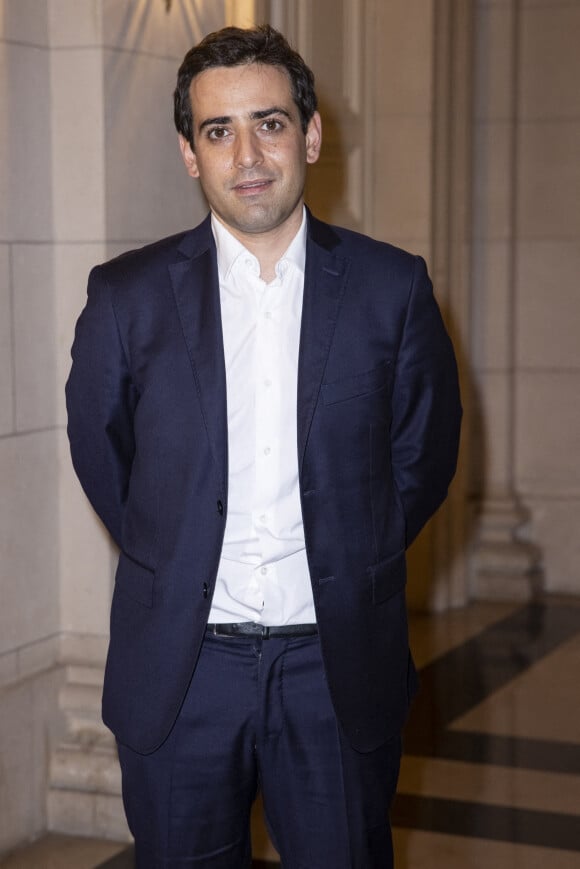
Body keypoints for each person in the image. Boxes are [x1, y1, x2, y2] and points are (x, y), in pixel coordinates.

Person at [66, 24, 461, 869]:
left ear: (310, 134)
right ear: (189, 152)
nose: (247, 154)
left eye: (270, 123)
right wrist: (170, 550)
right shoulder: (124, 298)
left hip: (335, 665)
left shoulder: (392, 288)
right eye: (219, 131)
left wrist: (359, 550)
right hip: (182, 669)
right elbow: (105, 456)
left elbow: (423, 453)